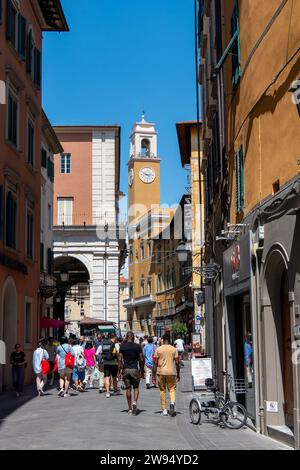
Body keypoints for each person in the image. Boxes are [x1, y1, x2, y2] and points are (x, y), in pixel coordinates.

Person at [153, 334, 180, 417]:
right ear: (170, 339)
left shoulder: (158, 349)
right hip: (171, 372)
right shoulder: (174, 349)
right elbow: (177, 363)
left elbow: (155, 364)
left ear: (162, 340)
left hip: (161, 372)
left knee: (162, 390)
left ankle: (164, 410)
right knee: (172, 389)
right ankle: (172, 402)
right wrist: (178, 373)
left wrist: (153, 376)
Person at [119, 331, 144, 415]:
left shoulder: (122, 346)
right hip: (134, 369)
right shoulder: (138, 346)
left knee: (128, 388)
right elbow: (141, 359)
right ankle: (134, 402)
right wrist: (142, 370)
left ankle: (129, 408)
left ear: (126, 337)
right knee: (136, 387)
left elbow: (119, 359)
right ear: (133, 337)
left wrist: (119, 371)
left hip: (126, 369)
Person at [102, 334, 119, 398]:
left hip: (106, 362)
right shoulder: (115, 345)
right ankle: (115, 390)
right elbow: (117, 353)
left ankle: (108, 392)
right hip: (113, 363)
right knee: (114, 377)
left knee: (107, 377)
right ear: (114, 338)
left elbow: (101, 352)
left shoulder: (104, 344)